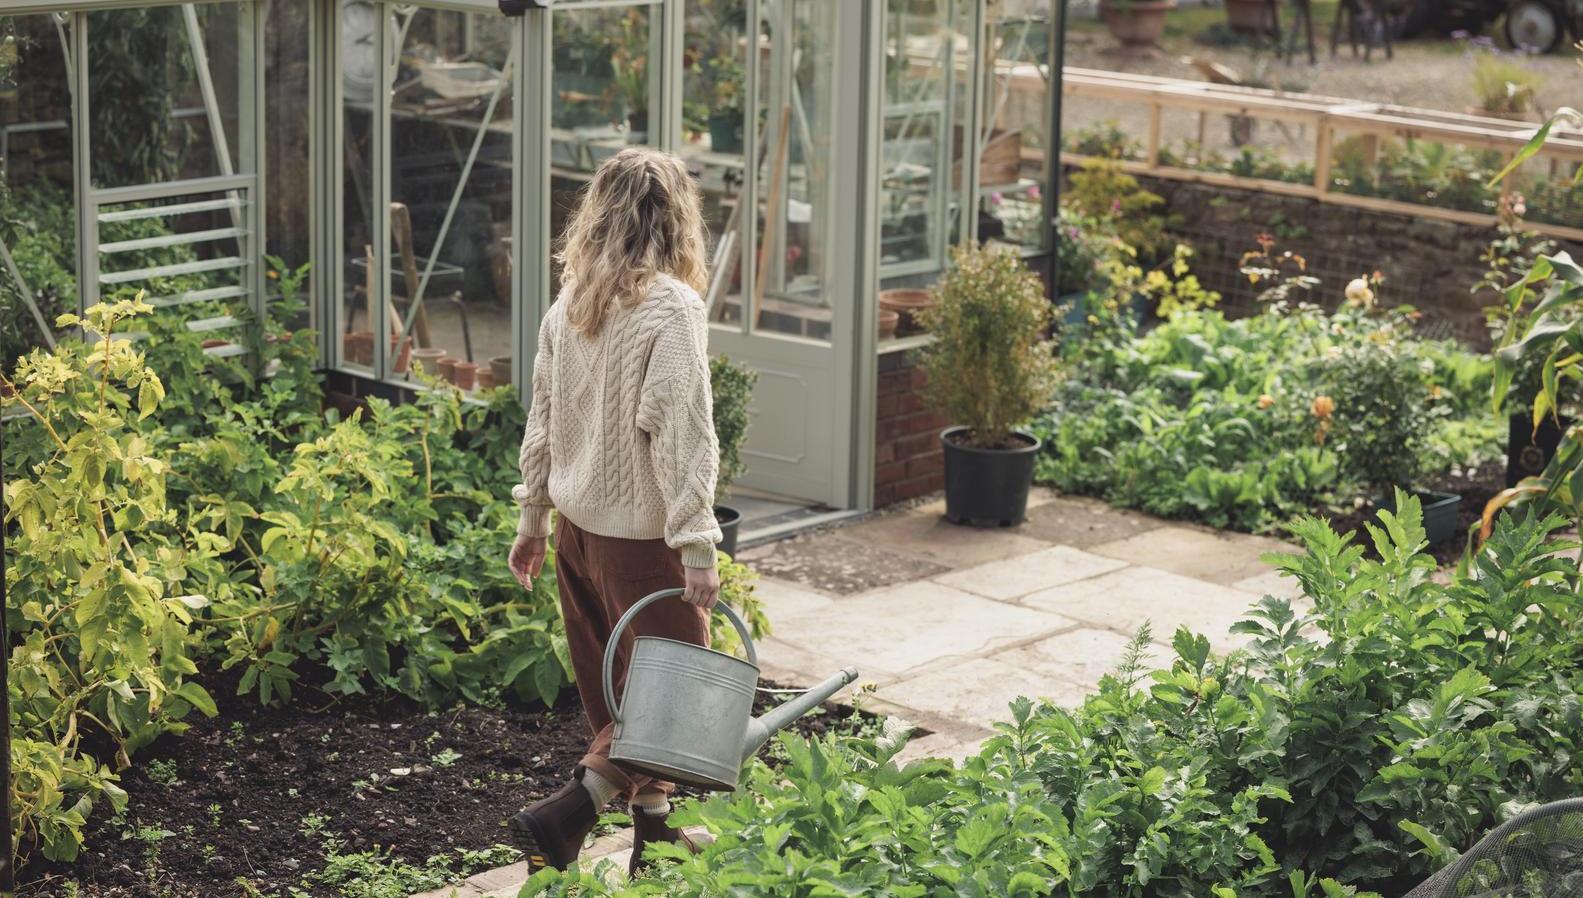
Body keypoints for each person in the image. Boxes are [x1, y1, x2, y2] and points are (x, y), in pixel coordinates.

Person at [505, 146, 723, 876]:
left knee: (618, 689)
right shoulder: (672, 306)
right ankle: (566, 814)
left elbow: (541, 420)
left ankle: (653, 832)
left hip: (577, 536)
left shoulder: (569, 305)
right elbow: (683, 430)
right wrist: (696, 543)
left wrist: (532, 521)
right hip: (642, 541)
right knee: (674, 696)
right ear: (675, 220)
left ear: (598, 214)